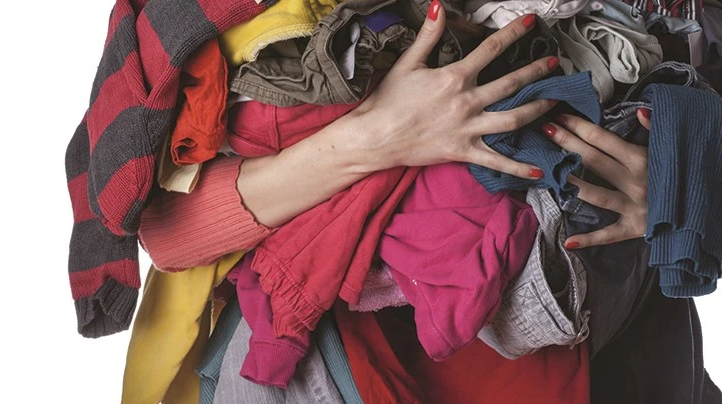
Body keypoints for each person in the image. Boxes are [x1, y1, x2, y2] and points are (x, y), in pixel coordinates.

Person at [142, 7, 650, 263]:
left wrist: (687, 198)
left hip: (607, 328)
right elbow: (168, 233)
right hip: (358, 358)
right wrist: (377, 137)